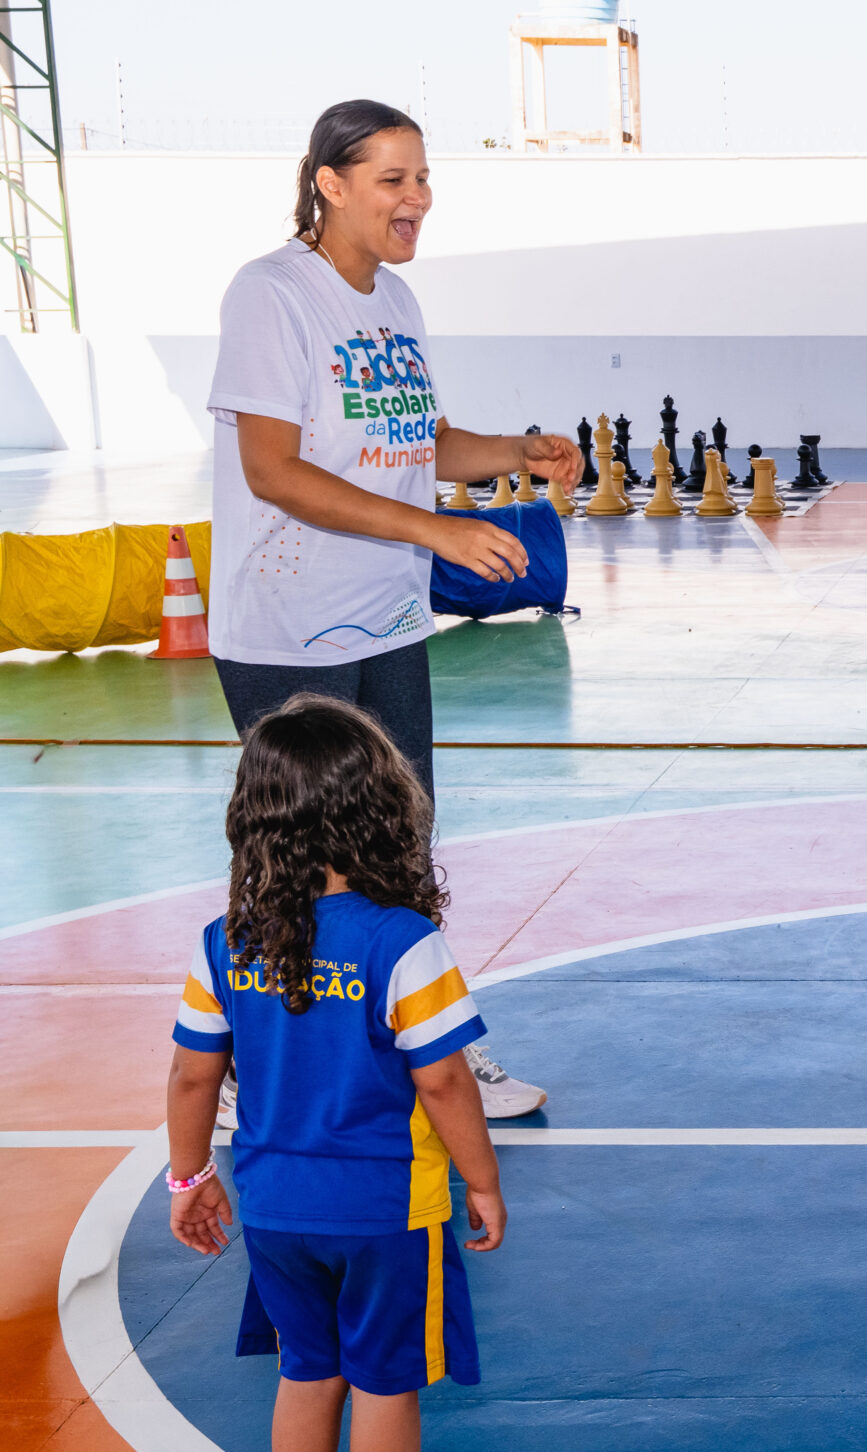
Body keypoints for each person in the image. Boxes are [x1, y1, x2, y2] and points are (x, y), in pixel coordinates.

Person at [207, 98, 572, 1121]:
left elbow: (418, 440)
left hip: (388, 623)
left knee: (398, 845)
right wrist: (436, 531)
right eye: (393, 180)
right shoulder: (273, 296)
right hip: (287, 632)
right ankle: (249, 1068)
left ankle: (428, 1050)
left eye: (422, 179)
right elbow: (273, 472)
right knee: (294, 859)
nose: (417, 199)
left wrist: (514, 452)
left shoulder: (396, 302)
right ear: (328, 183)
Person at [164, 695, 500, 1452]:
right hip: (386, 1212)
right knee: (386, 1383)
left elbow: (195, 1078)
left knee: (307, 1371)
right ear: (377, 808)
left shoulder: (224, 941)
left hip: (273, 1207)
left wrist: (190, 1180)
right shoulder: (401, 941)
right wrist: (481, 1178)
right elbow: (444, 1084)